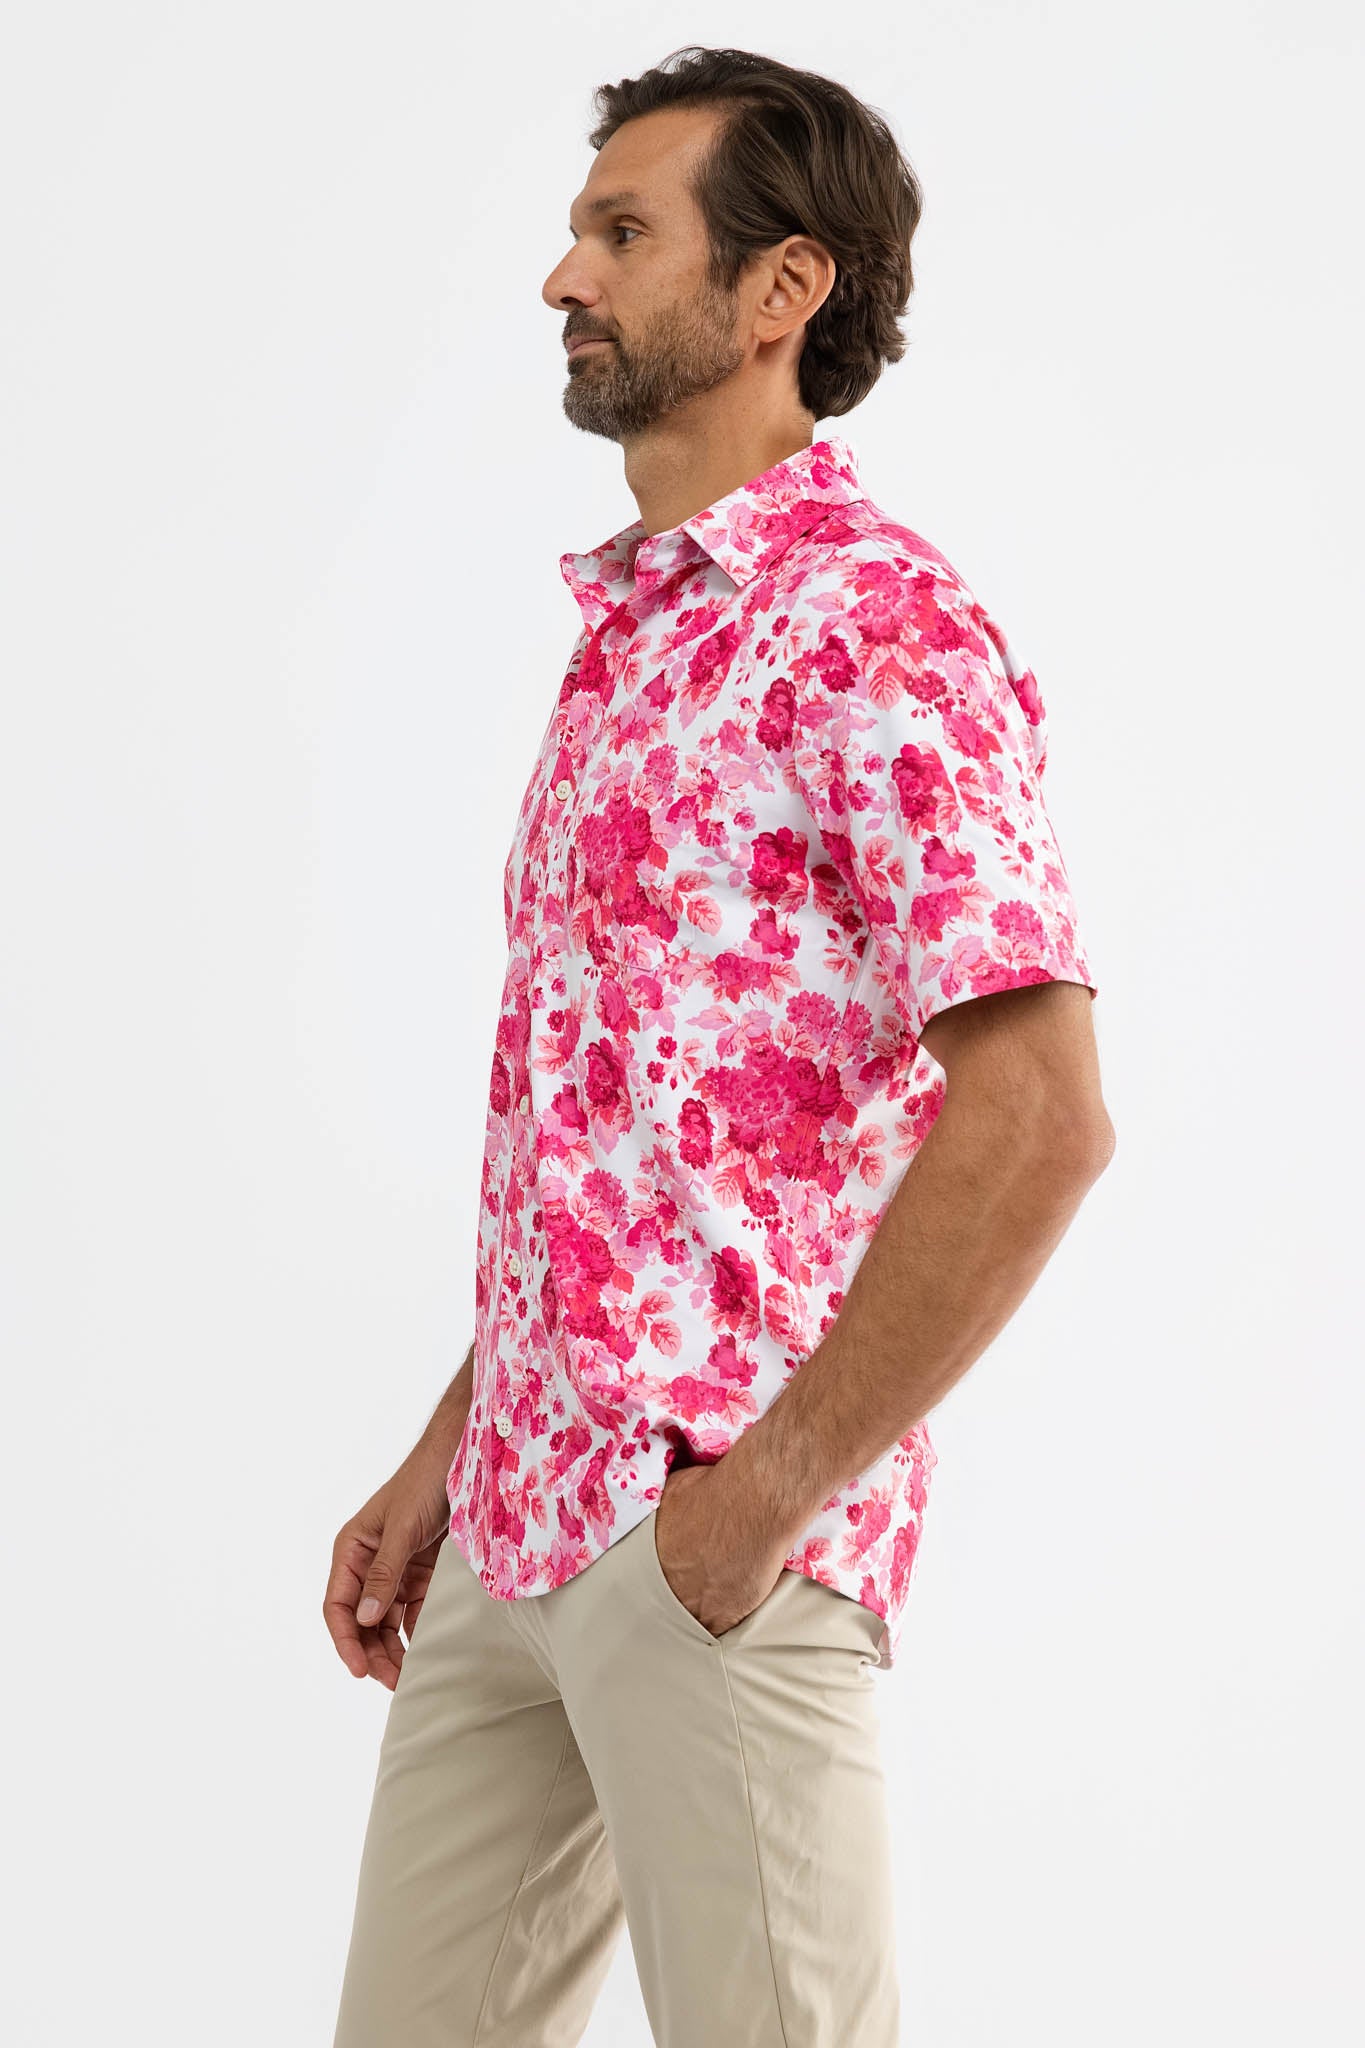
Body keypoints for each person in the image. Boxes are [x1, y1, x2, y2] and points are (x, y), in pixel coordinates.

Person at [325, 44, 1114, 2048]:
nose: (562, 277)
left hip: (708, 1541)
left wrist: (761, 1499)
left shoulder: (876, 628)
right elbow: (602, 1133)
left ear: (781, 289)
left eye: (620, 231)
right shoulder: (631, 641)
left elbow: (1039, 1116)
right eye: (575, 231)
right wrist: (446, 1451)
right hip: (510, 1530)